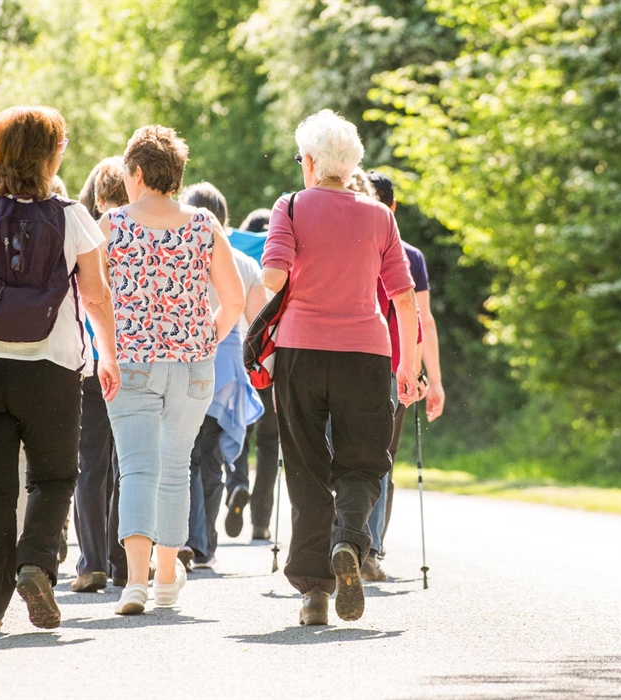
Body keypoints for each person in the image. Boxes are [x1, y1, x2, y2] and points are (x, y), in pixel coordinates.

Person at [0, 105, 120, 633]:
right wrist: (108, 355)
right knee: (55, 476)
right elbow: (98, 299)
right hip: (50, 369)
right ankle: (35, 562)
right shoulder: (73, 216)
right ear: (48, 153)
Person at [261, 109, 418, 625]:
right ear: (352, 165)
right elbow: (403, 298)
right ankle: (350, 542)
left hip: (301, 353)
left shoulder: (291, 206)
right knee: (364, 462)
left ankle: (314, 596)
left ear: (309, 161)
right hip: (367, 354)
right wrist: (408, 365)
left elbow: (274, 279)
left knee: (306, 466)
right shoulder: (381, 216)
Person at [101, 126, 245, 615]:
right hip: (192, 366)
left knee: (137, 468)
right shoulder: (204, 225)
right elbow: (235, 300)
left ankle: (134, 584)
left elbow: (92, 297)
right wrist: (207, 336)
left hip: (132, 362)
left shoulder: (111, 225)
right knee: (175, 468)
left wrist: (107, 348)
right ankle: (167, 578)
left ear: (137, 173)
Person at [362, 170, 445, 581]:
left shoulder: (347, 245)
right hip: (397, 371)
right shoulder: (410, 256)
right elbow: (422, 320)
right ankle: (371, 551)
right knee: (382, 462)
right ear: (393, 208)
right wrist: (433, 380)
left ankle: (338, 541)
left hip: (351, 359)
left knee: (339, 456)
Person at [176, 181, 264, 569]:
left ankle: (188, 539)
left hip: (186, 360)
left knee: (187, 457)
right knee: (209, 457)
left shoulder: (180, 254)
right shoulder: (245, 264)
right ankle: (205, 543)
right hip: (227, 368)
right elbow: (259, 324)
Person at [71, 157, 130, 592]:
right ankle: (123, 558)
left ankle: (91, 562)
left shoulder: (86, 237)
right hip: (134, 360)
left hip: (92, 360)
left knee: (91, 463)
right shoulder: (143, 230)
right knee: (128, 462)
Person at [225, 207, 280, 543]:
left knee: (239, 433)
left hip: (238, 359)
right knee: (270, 444)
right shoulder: (275, 256)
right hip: (271, 362)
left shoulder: (237, 255)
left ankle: (238, 484)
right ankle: (261, 521)